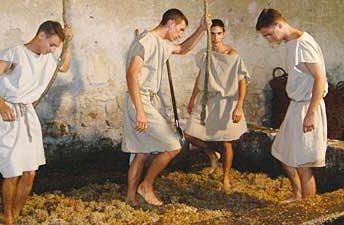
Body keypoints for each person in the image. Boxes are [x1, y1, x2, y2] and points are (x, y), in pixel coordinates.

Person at [0, 21, 72, 224]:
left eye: (55, 46)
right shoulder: (14, 53)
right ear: (41, 35)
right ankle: (8, 218)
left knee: (30, 172)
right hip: (6, 113)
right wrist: (2, 105)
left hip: (27, 115)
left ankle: (17, 213)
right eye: (52, 44)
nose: (52, 50)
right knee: (13, 172)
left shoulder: (47, 58)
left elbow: (64, 66)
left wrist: (69, 43)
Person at [122, 8, 210, 206]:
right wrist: (141, 110)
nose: (180, 34)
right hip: (140, 100)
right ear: (170, 23)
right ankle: (146, 186)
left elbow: (183, 48)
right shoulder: (145, 41)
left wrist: (201, 29)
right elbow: (131, 75)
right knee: (173, 146)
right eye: (180, 29)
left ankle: (130, 198)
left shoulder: (162, 44)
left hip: (146, 100)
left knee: (141, 152)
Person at [256, 8, 328, 203]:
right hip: (297, 105)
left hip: (308, 105)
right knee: (281, 150)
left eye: (269, 34)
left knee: (303, 164)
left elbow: (320, 79)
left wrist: (311, 113)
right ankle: (297, 195)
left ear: (279, 24)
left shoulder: (304, 43)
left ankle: (308, 211)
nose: (270, 40)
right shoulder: (290, 42)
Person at [184, 19, 250, 191]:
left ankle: (226, 178)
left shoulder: (232, 55)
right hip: (207, 100)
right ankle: (211, 153)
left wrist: (239, 106)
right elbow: (201, 77)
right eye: (212, 34)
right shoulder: (206, 53)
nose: (215, 37)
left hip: (226, 102)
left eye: (218, 33)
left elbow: (242, 82)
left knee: (226, 142)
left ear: (224, 34)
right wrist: (192, 98)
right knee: (189, 134)